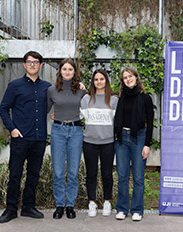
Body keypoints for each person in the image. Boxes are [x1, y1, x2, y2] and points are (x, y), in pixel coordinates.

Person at [0, 51, 51, 223]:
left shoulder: (47, 87)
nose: (32, 64)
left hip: (39, 137)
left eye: (36, 62)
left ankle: (28, 207)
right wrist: (12, 128)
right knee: (15, 174)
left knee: (33, 174)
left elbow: (61, 97)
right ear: (24, 64)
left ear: (41, 65)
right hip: (20, 138)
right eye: (29, 62)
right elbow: (3, 108)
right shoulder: (15, 86)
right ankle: (11, 209)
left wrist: (79, 86)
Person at [114, 67, 154, 222]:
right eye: (125, 77)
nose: (128, 79)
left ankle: (137, 210)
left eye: (130, 76)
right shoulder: (121, 97)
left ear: (136, 78)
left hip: (139, 138)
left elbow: (150, 123)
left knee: (138, 177)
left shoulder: (145, 98)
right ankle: (122, 209)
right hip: (122, 139)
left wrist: (147, 144)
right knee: (122, 176)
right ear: (123, 81)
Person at [47, 58, 85, 219]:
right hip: (58, 131)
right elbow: (44, 110)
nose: (67, 72)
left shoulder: (82, 91)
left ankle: (70, 205)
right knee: (58, 171)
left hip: (76, 131)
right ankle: (59, 205)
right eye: (64, 69)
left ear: (75, 72)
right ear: (60, 71)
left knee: (73, 171)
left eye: (70, 69)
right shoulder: (52, 90)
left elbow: (91, 107)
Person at [80, 69, 118, 217]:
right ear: (93, 82)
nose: (99, 82)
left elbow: (118, 122)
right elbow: (76, 116)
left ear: (106, 81)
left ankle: (107, 202)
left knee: (107, 173)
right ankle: (92, 203)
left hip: (108, 142)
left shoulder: (114, 100)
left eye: (101, 79)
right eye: (96, 79)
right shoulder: (86, 99)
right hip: (89, 142)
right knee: (91, 173)